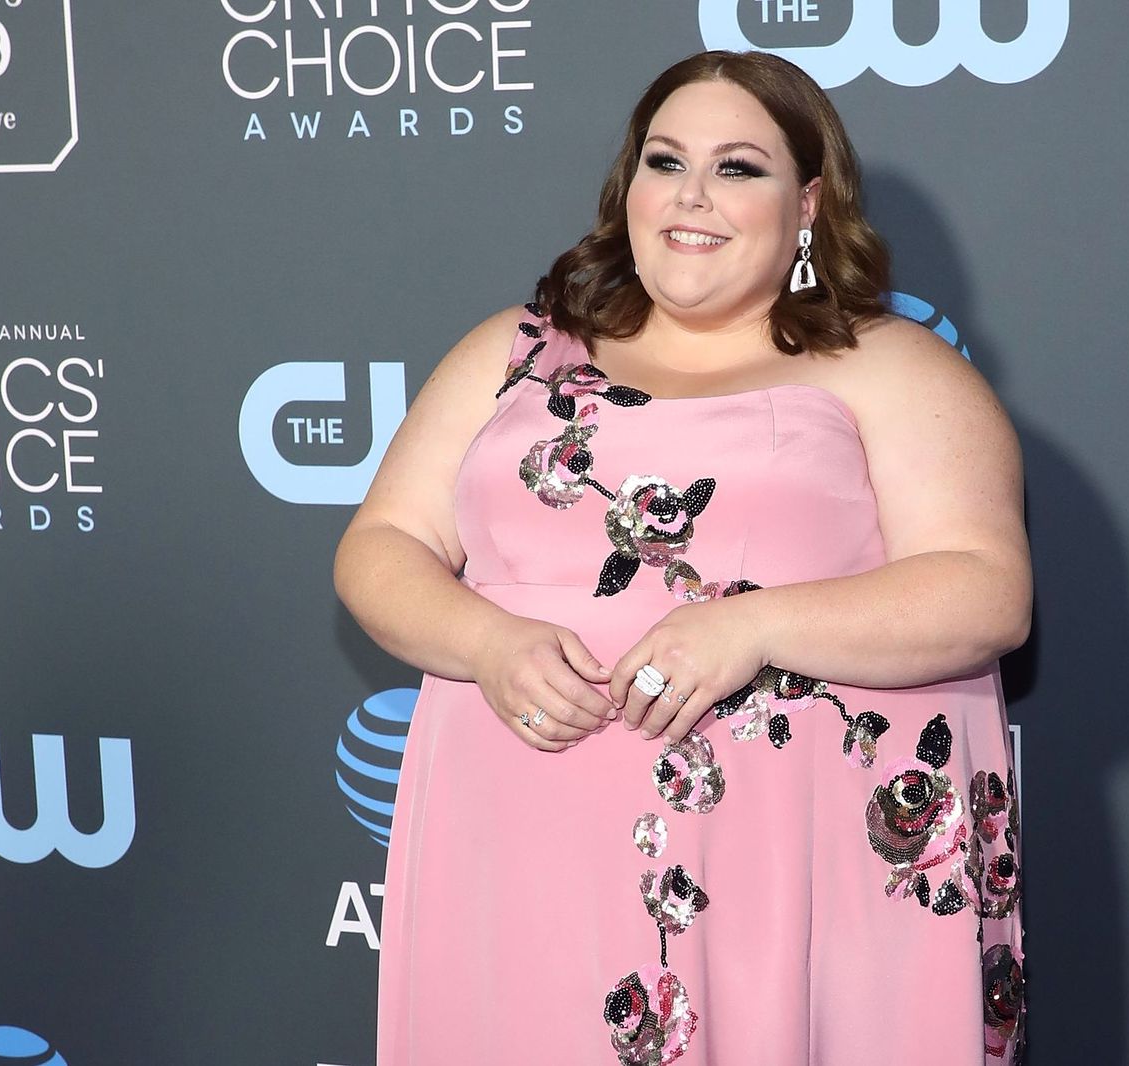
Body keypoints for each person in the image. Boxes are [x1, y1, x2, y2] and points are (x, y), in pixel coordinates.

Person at [335, 49, 1031, 1066]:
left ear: (807, 202)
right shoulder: (514, 351)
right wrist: (486, 642)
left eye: (737, 168)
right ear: (629, 188)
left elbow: (984, 589)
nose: (691, 195)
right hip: (521, 860)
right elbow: (381, 546)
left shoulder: (886, 367)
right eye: (666, 162)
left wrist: (749, 627)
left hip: (777, 882)